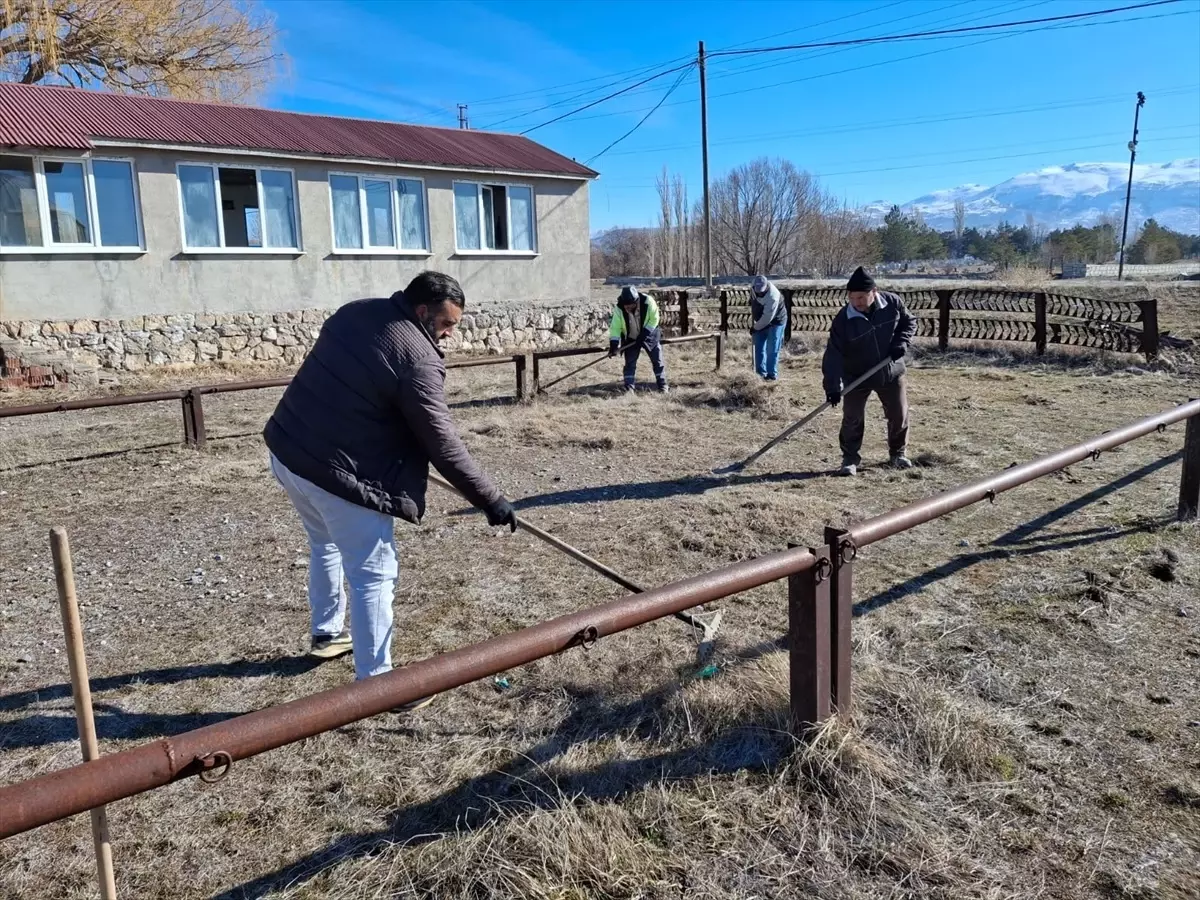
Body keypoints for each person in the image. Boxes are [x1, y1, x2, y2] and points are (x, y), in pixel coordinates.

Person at [263, 270, 516, 709]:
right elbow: (443, 442)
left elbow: (352, 387)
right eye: (446, 324)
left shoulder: (355, 312)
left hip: (290, 450)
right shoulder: (417, 356)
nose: (450, 335)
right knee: (373, 573)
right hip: (335, 473)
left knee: (324, 543)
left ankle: (327, 632)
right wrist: (489, 499)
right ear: (422, 312)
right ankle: (377, 685)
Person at [821, 266, 916, 476]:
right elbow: (833, 354)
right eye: (853, 298)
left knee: (898, 414)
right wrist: (833, 386)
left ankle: (898, 454)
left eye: (862, 297)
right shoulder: (844, 319)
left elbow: (909, 322)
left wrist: (901, 343)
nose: (857, 303)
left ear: (875, 292)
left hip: (890, 372)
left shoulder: (892, 303)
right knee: (852, 418)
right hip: (856, 375)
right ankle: (849, 459)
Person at [609, 285, 668, 394]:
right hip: (631, 338)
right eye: (625, 306)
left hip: (650, 335)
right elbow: (615, 327)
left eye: (630, 306)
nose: (627, 308)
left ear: (636, 301)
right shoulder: (619, 308)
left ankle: (663, 386)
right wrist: (614, 344)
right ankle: (629, 389)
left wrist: (645, 334)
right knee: (629, 364)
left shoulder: (648, 301)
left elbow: (654, 319)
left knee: (657, 361)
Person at [749, 275, 787, 381]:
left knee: (772, 348)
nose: (759, 293)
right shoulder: (753, 288)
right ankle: (760, 374)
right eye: (757, 291)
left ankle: (771, 375)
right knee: (759, 347)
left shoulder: (773, 296)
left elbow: (767, 318)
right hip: (761, 320)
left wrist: (755, 328)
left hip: (776, 322)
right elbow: (753, 299)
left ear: (766, 287)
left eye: (762, 291)